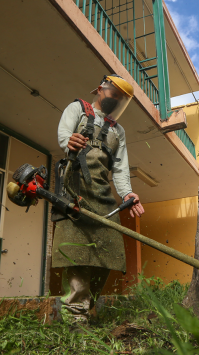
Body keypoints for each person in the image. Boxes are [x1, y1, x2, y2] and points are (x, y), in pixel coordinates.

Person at [52, 74, 145, 325]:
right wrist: (68, 142)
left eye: (121, 99)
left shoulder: (118, 130)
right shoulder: (78, 109)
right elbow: (63, 135)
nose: (115, 101)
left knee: (107, 253)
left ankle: (87, 307)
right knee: (77, 254)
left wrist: (127, 193)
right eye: (113, 95)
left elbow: (120, 168)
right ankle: (74, 319)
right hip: (75, 191)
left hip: (103, 196)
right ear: (99, 90)